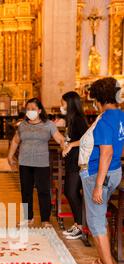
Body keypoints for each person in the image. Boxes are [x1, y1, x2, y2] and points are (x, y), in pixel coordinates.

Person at [79, 77, 124, 264]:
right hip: (114, 172)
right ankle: (105, 260)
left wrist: (98, 184)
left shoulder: (105, 119)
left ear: (99, 97)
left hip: (100, 174)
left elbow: (106, 152)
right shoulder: (120, 116)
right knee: (100, 216)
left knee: (96, 222)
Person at [8, 98, 64, 227]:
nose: (30, 111)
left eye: (33, 109)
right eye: (28, 109)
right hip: (24, 162)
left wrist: (64, 144)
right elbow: (16, 140)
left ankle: (45, 220)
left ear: (39, 110)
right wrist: (10, 156)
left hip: (41, 163)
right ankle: (28, 218)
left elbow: (59, 138)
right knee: (26, 191)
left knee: (43, 191)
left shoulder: (48, 124)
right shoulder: (22, 125)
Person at [60, 91, 88, 240]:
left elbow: (86, 139)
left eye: (63, 103)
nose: (61, 106)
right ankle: (78, 223)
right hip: (71, 160)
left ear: (70, 104)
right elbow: (71, 138)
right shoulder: (71, 119)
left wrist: (70, 145)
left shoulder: (78, 119)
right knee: (69, 192)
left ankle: (81, 226)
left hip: (78, 161)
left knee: (72, 192)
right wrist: (66, 144)